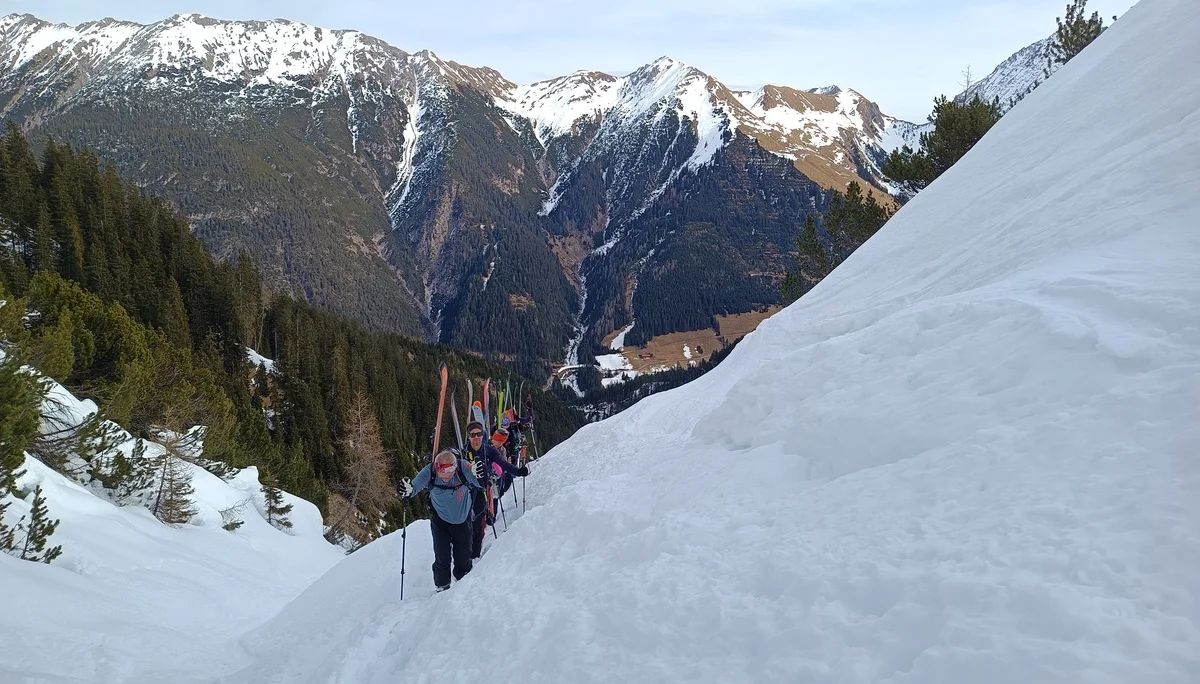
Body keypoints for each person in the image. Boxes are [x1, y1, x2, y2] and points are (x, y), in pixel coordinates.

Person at [398, 448, 482, 592]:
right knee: (441, 556)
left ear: (456, 465)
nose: (446, 474)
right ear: (436, 468)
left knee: (463, 556)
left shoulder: (463, 467)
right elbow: (416, 486)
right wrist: (407, 490)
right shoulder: (429, 472)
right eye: (442, 471)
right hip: (440, 521)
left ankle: (464, 584)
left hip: (462, 520)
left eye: (450, 469)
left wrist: (482, 475)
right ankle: (442, 586)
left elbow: (479, 482)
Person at [463, 420, 529, 559]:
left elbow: (503, 464)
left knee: (477, 524)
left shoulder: (489, 450)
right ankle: (463, 553)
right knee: (464, 523)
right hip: (464, 492)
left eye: (478, 434)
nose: (476, 438)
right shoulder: (463, 451)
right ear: (468, 436)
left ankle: (474, 555)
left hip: (481, 491)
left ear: (483, 435)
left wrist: (518, 472)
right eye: (472, 435)